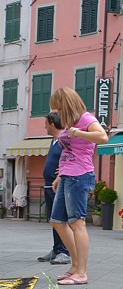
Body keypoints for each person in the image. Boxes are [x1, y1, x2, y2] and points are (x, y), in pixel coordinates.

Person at [48, 87, 108, 286]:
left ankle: (82, 272)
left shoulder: (85, 119)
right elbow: (67, 153)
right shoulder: (70, 123)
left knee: (77, 223)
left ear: (65, 104)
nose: (56, 114)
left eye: (57, 109)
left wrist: (79, 132)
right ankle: (75, 265)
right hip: (67, 176)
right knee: (57, 221)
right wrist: (59, 176)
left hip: (80, 175)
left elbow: (103, 137)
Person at [37, 111, 71, 266]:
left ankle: (65, 251)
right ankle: (57, 249)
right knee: (53, 220)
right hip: (48, 186)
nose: (45, 127)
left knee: (61, 220)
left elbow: (71, 157)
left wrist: (62, 172)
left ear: (52, 124)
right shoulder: (54, 141)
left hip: (58, 187)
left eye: (46, 124)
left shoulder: (64, 140)